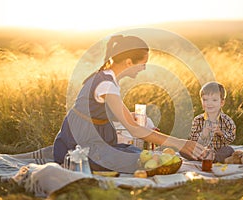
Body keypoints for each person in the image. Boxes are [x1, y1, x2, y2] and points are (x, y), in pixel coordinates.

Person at [53, 34, 205, 173]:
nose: (144, 68)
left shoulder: (106, 78)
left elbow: (96, 112)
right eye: (143, 63)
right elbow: (135, 131)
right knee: (144, 161)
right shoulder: (106, 85)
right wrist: (180, 143)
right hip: (79, 147)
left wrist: (129, 117)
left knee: (139, 154)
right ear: (128, 62)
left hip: (93, 141)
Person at [188, 81, 236, 162]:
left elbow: (231, 137)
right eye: (205, 100)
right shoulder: (198, 120)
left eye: (214, 100)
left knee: (229, 150)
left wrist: (220, 133)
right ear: (201, 102)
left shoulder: (226, 120)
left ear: (221, 102)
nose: (209, 103)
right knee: (184, 150)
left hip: (218, 151)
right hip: (201, 151)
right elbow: (192, 139)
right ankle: (205, 157)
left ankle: (213, 158)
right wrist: (204, 133)